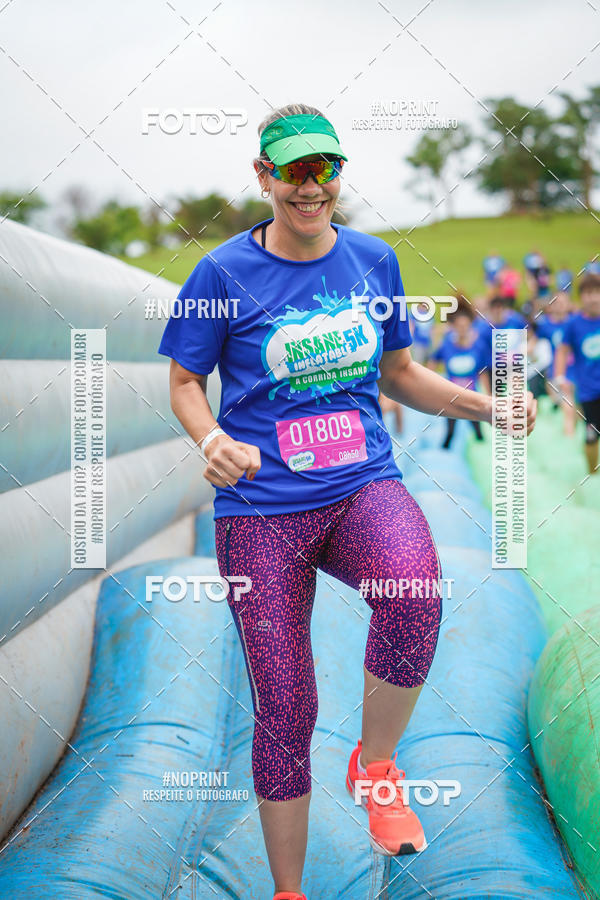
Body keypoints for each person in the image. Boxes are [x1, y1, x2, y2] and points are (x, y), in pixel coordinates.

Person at [157, 103, 537, 900]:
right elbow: (186, 383)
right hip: (261, 511)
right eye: (293, 170)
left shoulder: (372, 261)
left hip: (362, 483)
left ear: (337, 175)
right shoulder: (220, 275)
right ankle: (289, 891)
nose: (310, 186)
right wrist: (208, 440)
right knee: (286, 706)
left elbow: (399, 375)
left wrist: (485, 404)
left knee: (415, 587)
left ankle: (377, 763)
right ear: (263, 176)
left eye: (324, 168)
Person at [428, 296, 491, 448]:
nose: (462, 329)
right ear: (454, 327)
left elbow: (483, 371)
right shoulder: (447, 345)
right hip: (452, 397)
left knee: (478, 431)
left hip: (472, 396)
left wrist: (488, 395)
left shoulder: (478, 346)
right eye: (459, 326)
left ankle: (481, 451)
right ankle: (443, 454)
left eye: (465, 326)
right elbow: (432, 362)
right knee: (449, 433)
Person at [555, 272, 600, 474]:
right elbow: (563, 350)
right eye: (588, 293)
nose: (593, 298)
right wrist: (559, 376)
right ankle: (592, 474)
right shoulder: (574, 324)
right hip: (589, 391)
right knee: (591, 435)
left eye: (597, 292)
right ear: (581, 297)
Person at [536, 291, 576, 435]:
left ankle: (574, 433)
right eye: (556, 304)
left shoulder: (574, 322)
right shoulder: (545, 325)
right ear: (551, 307)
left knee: (576, 408)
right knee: (568, 405)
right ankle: (569, 436)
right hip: (558, 370)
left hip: (576, 369)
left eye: (563, 303)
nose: (559, 307)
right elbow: (535, 341)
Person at [526, 322, 553, 399]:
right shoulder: (523, 345)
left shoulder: (544, 343)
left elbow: (546, 362)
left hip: (543, 374)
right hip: (530, 376)